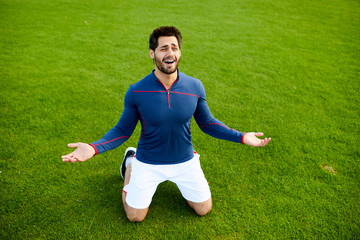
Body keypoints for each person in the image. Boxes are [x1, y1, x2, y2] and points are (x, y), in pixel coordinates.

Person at [61, 26, 271, 222]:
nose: (169, 53)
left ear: (179, 52)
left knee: (203, 209)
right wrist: (93, 147)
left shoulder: (194, 86)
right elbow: (122, 130)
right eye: (163, 48)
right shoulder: (137, 90)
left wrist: (242, 136)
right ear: (152, 53)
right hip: (148, 161)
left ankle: (187, 175)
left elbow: (208, 124)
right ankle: (131, 164)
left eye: (174, 48)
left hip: (184, 160)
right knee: (135, 216)